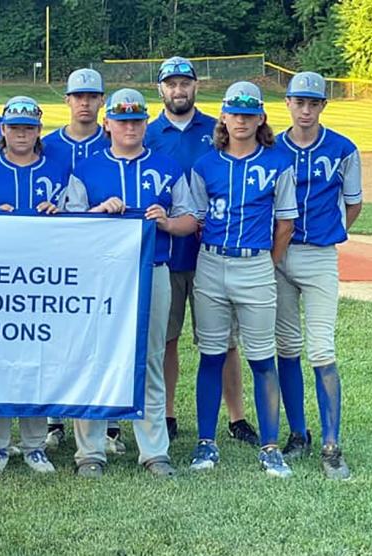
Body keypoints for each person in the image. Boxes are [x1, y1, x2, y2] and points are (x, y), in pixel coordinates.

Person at [60, 89, 197, 478]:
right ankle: (90, 451)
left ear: (145, 124)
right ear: (107, 124)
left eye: (136, 121)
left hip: (152, 270)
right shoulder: (87, 169)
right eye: (121, 121)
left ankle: (153, 450)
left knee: (151, 358)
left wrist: (167, 222)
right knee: (96, 357)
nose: (129, 128)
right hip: (101, 278)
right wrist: (98, 214)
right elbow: (70, 226)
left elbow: (191, 219)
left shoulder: (168, 167)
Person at [186, 81, 298, 478]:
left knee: (262, 358)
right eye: (235, 113)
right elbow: (195, 219)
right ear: (223, 116)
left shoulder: (277, 162)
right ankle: (206, 444)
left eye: (249, 114)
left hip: (255, 265)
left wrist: (269, 262)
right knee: (212, 355)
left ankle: (270, 447)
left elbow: (285, 222)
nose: (241, 120)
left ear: (261, 118)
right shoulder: (206, 164)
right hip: (212, 263)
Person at [146, 56, 259, 445]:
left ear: (196, 86)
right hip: (168, 252)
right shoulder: (147, 133)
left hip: (215, 251)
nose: (178, 90)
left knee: (225, 340)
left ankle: (237, 416)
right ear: (160, 89)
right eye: (171, 84)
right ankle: (169, 413)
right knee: (167, 337)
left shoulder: (216, 129)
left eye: (185, 83)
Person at [275, 71, 361, 480]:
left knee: (322, 349)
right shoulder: (271, 146)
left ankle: (331, 444)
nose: (305, 110)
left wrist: (328, 231)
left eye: (313, 103)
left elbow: (353, 205)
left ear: (323, 106)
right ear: (288, 104)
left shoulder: (343, 148)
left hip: (319, 256)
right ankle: (298, 434)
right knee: (286, 346)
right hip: (280, 254)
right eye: (299, 102)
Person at [0, 96, 66, 475]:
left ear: (38, 131)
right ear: (3, 130)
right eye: (15, 127)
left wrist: (58, 215)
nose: (22, 134)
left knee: (36, 361)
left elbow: (76, 223)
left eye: (29, 127)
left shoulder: (59, 171)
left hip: (42, 280)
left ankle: (33, 445)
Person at [40, 68, 123, 453]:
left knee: (103, 336)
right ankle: (55, 421)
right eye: (79, 96)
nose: (85, 103)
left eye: (92, 96)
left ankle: (107, 426)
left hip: (106, 257)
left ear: (101, 101)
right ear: (68, 100)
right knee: (61, 338)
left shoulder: (114, 139)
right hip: (60, 254)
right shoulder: (49, 144)